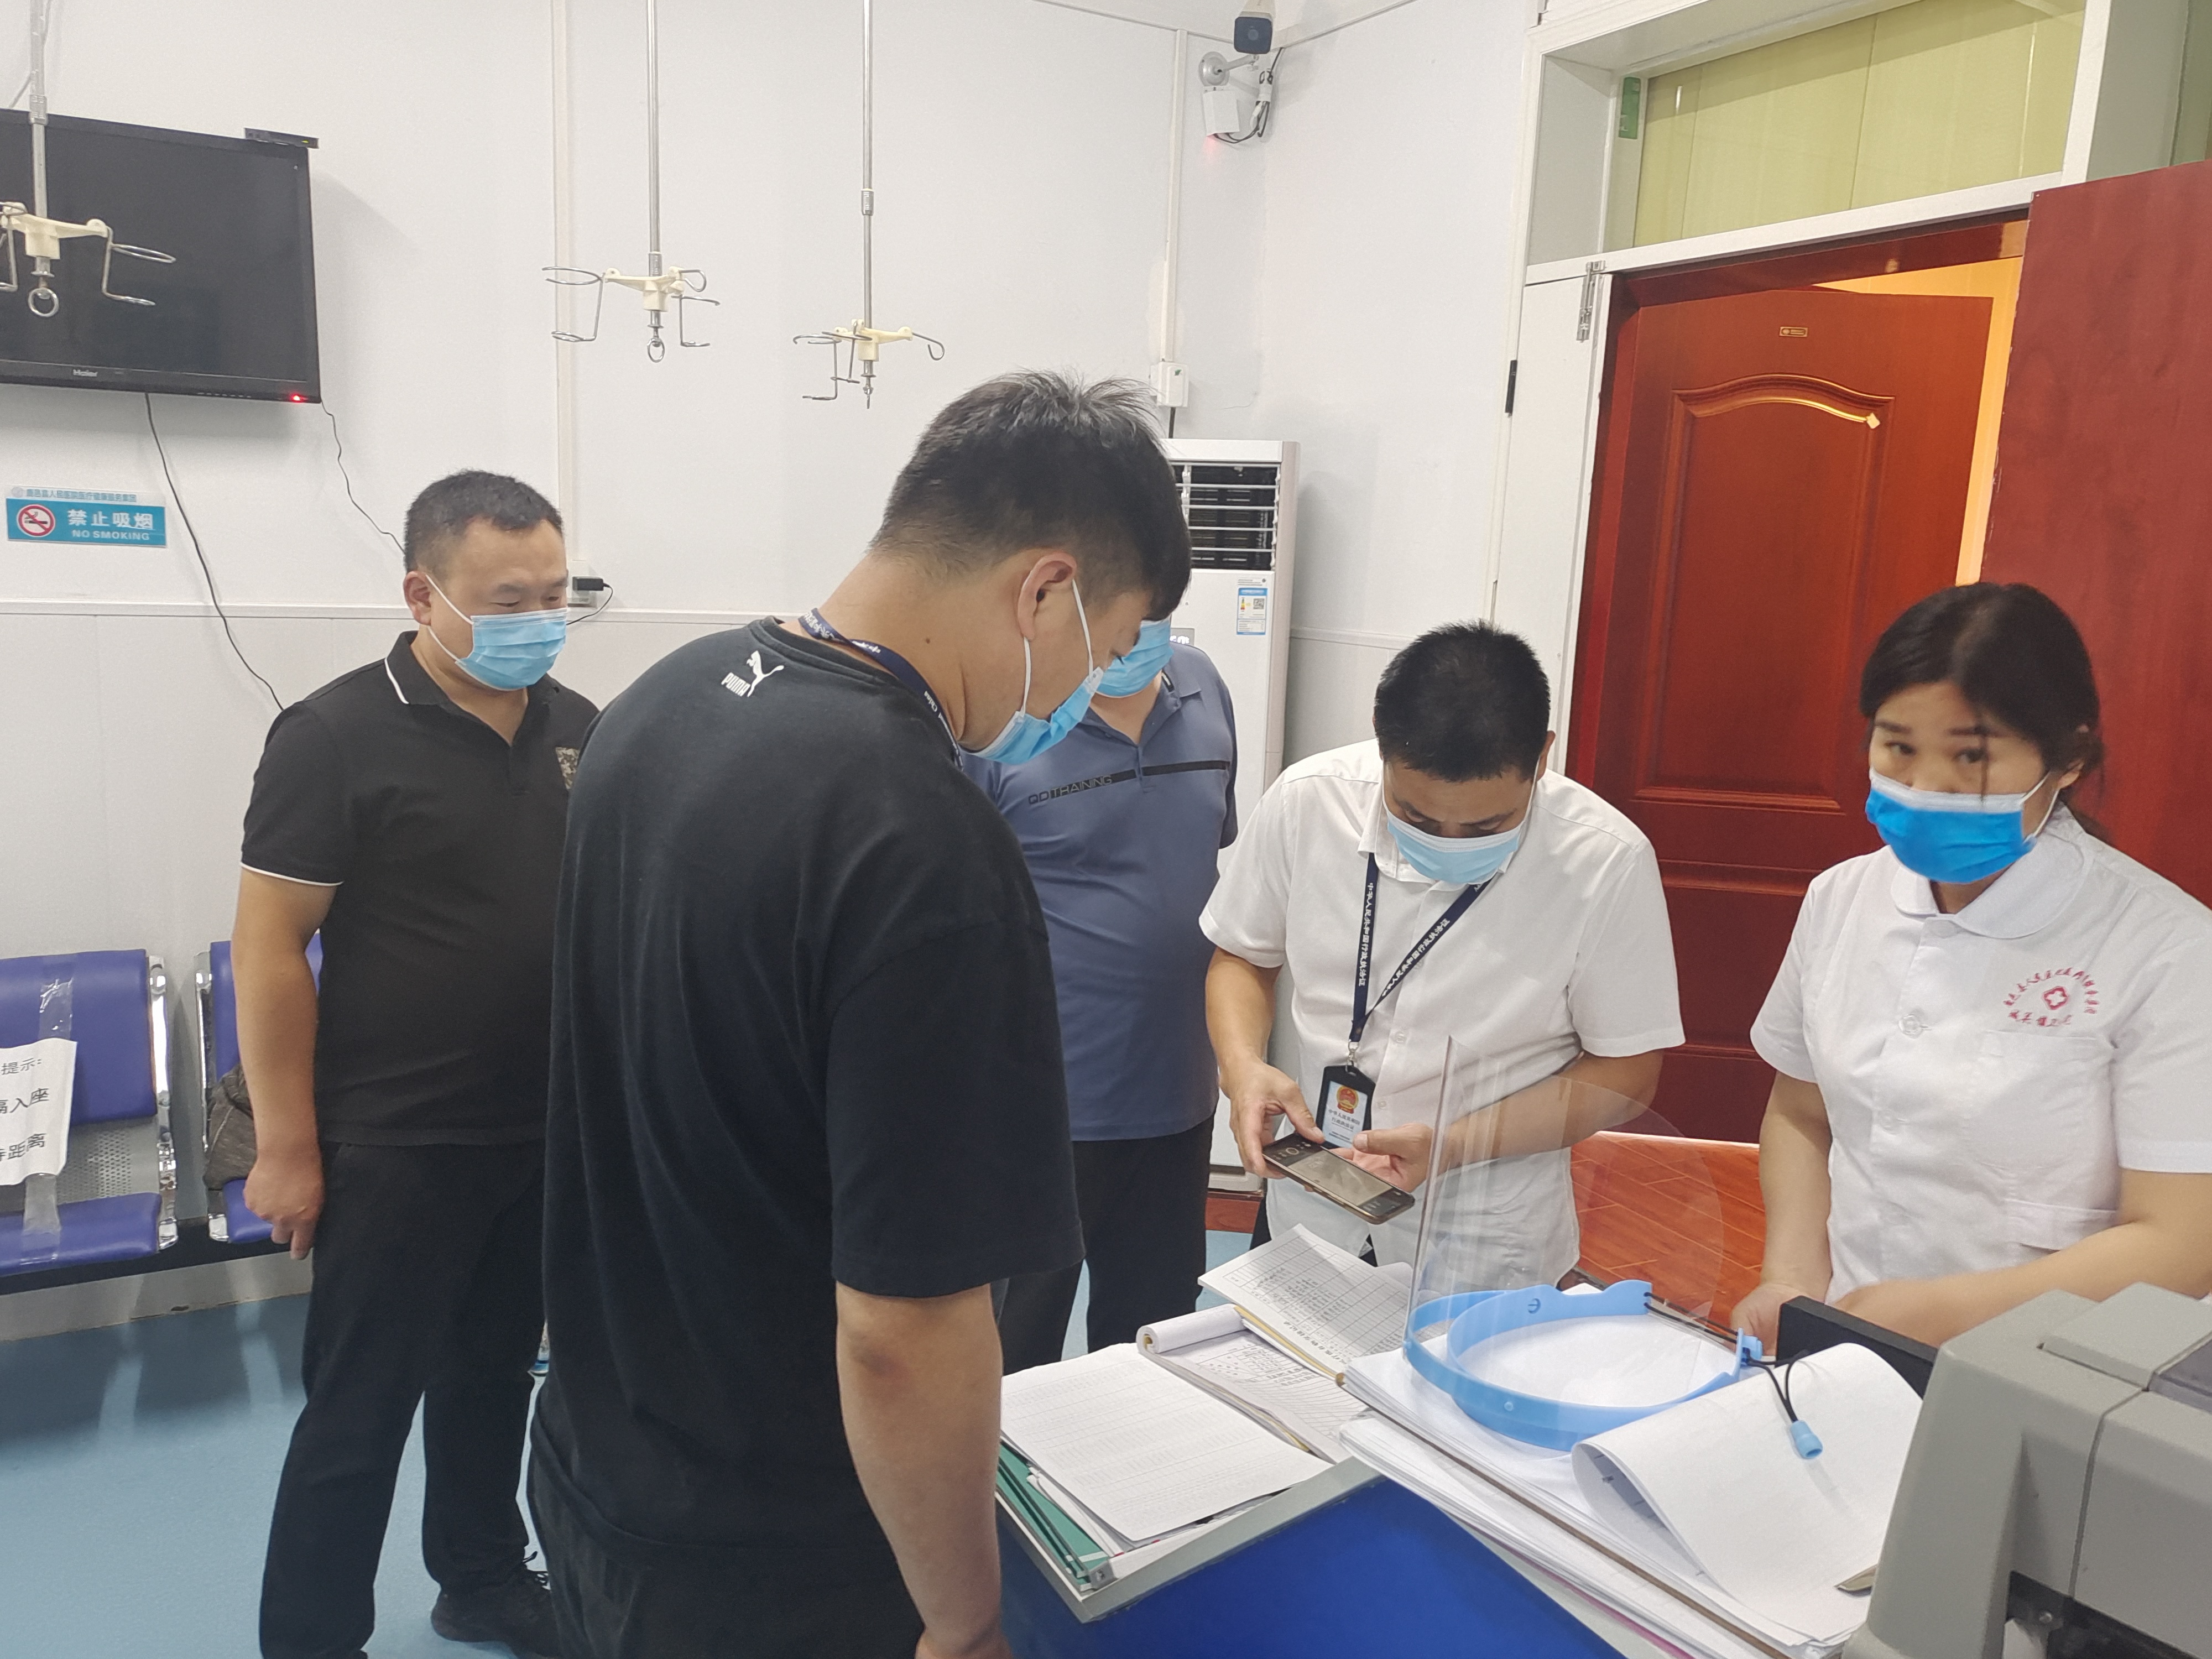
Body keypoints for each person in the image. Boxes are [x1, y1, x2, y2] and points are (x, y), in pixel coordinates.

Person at [530, 373, 1191, 1659]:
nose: (1091, 687)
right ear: (1044, 592)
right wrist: (963, 1618)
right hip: (779, 1558)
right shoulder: (918, 838)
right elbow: (901, 1330)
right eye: (1108, 645)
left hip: (599, 1467)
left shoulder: (664, 699)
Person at [236, 471, 592, 1659]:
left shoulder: (580, 728)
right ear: (422, 595)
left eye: (555, 594)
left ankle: (479, 1578)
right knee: (360, 1409)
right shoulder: (333, 736)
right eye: (506, 600)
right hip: (394, 1142)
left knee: (491, 1377)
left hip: (538, 1131)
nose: (537, 619)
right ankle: (311, 1637)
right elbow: (270, 948)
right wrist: (288, 1147)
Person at [1734, 584, 2212, 1350]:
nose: (1926, 787)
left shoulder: (2168, 949)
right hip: (1849, 1335)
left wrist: (1948, 1313)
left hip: (2053, 1365)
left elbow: (2181, 1243)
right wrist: (1791, 1280)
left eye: (1971, 756)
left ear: (2068, 758)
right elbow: (1801, 1113)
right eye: (1898, 748)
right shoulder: (1840, 900)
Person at [1203, 621, 1683, 1284]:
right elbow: (1243, 957)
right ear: (1380, 739)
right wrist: (1241, 1067)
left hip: (1482, 1234)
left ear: (1542, 756)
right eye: (1417, 819)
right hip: (1313, 1199)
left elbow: (1627, 1071)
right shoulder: (1308, 801)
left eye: (1487, 825)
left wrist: (1455, 1145)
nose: (1449, 841)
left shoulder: (1604, 860)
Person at [963, 622, 1238, 1372]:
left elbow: (1201, 858)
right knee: (1013, 1360)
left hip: (1177, 1098)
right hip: (1042, 1110)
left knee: (1152, 1348)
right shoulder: (1002, 717)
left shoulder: (1205, 685)